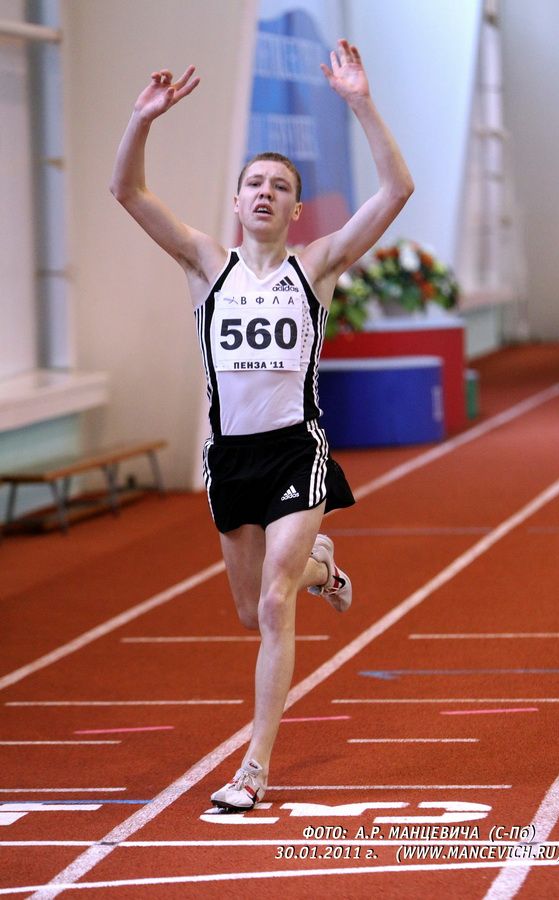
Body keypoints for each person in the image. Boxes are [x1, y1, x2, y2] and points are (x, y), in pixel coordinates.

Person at [111, 39, 414, 812]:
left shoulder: (316, 267)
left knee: (276, 605)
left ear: (295, 209)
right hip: (230, 459)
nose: (265, 194)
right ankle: (323, 568)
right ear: (237, 201)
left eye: (280, 186)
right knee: (253, 611)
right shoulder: (205, 266)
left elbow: (397, 190)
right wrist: (142, 120)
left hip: (294, 449)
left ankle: (254, 767)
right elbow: (127, 192)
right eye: (255, 183)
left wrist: (360, 103)